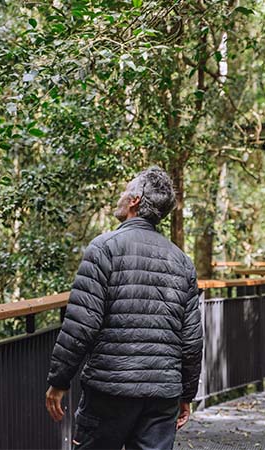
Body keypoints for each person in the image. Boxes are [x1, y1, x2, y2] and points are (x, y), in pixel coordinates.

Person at [45, 166, 203, 450]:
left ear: (135, 200)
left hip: (109, 389)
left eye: (124, 190)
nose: (120, 195)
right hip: (162, 394)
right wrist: (186, 395)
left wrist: (59, 380)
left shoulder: (104, 248)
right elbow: (191, 340)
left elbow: (82, 324)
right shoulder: (181, 262)